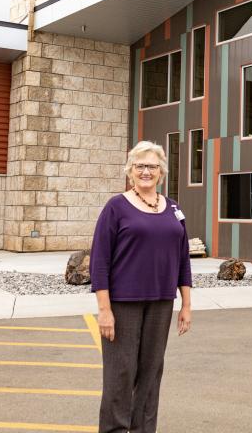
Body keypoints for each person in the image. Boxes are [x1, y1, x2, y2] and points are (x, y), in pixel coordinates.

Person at [90, 140, 193, 433]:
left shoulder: (173, 208)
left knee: (150, 376)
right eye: (140, 166)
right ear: (130, 170)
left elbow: (183, 259)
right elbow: (99, 261)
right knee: (120, 376)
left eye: (152, 166)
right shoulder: (116, 207)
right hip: (123, 304)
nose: (146, 171)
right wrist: (104, 310)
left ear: (161, 171)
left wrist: (186, 304)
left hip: (161, 302)